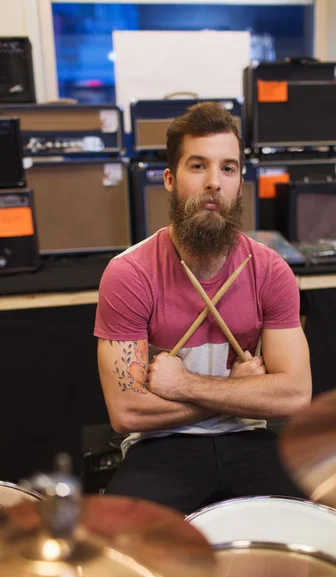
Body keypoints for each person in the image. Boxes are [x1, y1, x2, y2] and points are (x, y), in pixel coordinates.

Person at [94, 101, 312, 515]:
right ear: (170, 180)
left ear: (240, 182)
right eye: (198, 166)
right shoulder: (129, 274)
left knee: (309, 540)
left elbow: (296, 395)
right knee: (124, 554)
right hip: (161, 445)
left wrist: (183, 385)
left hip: (249, 440)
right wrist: (240, 389)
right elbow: (126, 411)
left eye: (228, 168)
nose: (214, 182)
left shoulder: (270, 270)